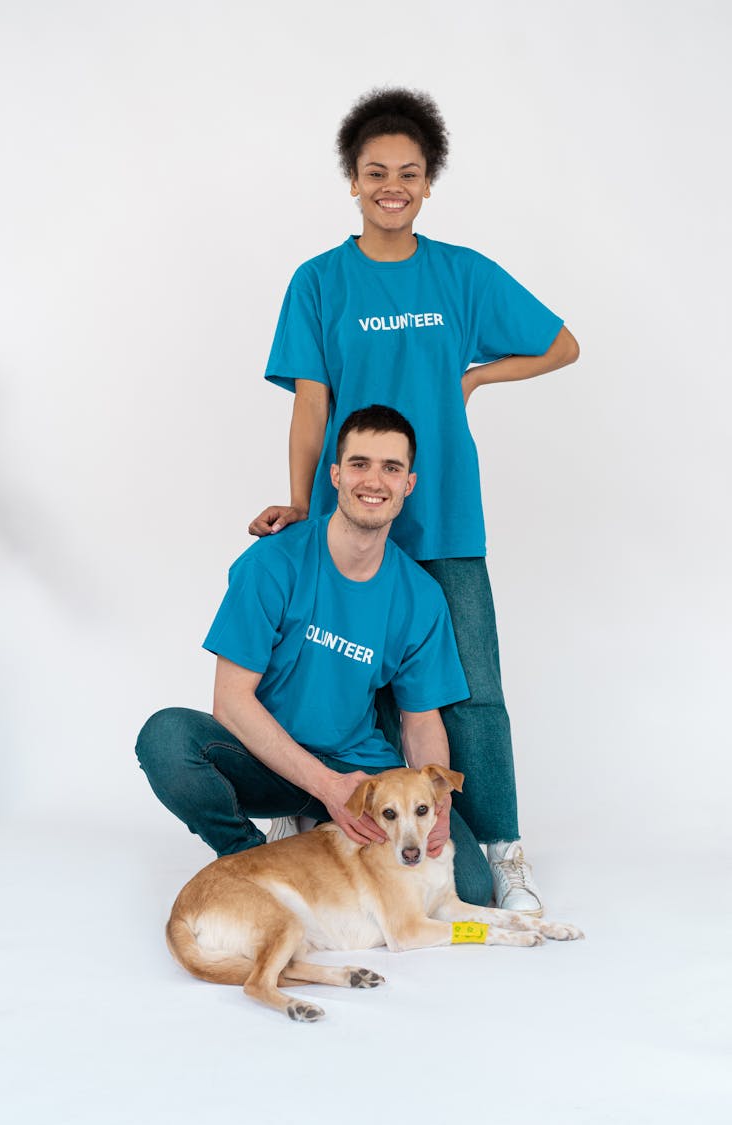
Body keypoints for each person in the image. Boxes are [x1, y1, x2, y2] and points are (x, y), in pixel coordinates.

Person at [249, 88, 580, 914]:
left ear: (428, 183)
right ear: (352, 182)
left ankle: (501, 853)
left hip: (442, 517)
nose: (391, 185)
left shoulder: (460, 274)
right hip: (350, 519)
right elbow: (311, 407)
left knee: (472, 692)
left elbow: (561, 344)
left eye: (409, 172)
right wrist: (301, 506)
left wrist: (473, 375)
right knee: (338, 676)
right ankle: (319, 818)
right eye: (374, 172)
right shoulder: (320, 282)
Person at [136, 405, 494, 906]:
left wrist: (436, 802)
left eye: (391, 468)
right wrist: (327, 787)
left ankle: (316, 832)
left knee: (475, 890)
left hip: (362, 775)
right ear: (336, 474)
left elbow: (421, 722)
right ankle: (250, 860)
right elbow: (231, 702)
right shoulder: (271, 564)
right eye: (359, 464)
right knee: (166, 736)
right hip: (271, 761)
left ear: (408, 484)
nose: (375, 480)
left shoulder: (420, 595)